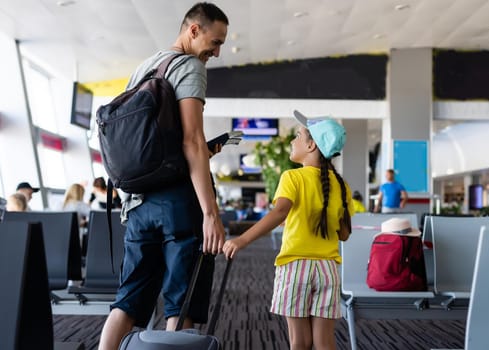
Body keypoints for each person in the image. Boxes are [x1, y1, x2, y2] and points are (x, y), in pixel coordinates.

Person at [98, 3, 228, 350]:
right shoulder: (191, 67)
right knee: (180, 300)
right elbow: (191, 139)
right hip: (178, 202)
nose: (215, 53)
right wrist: (211, 214)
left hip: (138, 202)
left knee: (127, 301)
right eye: (214, 43)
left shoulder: (146, 66)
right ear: (194, 30)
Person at [223, 110, 354, 350]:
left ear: (311, 145)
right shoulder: (342, 185)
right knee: (325, 342)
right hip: (328, 269)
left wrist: (240, 240)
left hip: (296, 267)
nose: (293, 141)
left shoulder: (292, 177)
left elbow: (279, 212)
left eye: (298, 135)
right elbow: (344, 234)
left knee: (299, 342)